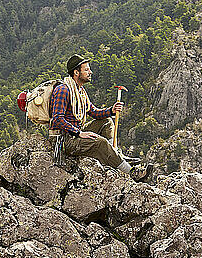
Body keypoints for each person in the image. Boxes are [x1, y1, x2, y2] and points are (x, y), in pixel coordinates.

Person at [49, 54, 153, 182]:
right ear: (76, 72)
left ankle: (113, 156)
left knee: (106, 122)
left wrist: (111, 110)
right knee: (100, 142)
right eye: (86, 69)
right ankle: (132, 172)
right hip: (65, 140)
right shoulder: (63, 90)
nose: (90, 72)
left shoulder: (80, 91)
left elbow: (94, 112)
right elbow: (57, 119)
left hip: (75, 133)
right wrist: (79, 133)